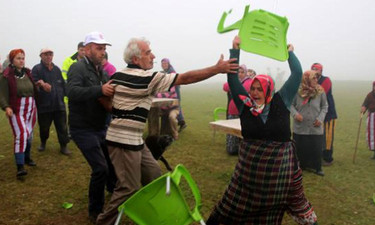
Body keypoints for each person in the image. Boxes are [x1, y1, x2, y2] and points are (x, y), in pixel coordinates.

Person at [96, 37, 238, 225]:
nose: (153, 55)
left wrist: (117, 111)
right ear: (136, 59)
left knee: (155, 177)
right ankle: (103, 222)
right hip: (123, 142)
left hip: (136, 140)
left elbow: (103, 97)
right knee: (128, 188)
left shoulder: (118, 76)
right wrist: (216, 69)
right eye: (148, 52)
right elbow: (185, 78)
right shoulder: (148, 77)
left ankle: (158, 217)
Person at [206, 36, 318, 225]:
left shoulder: (281, 101)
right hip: (247, 179)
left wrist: (289, 53)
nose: (255, 92)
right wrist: (235, 50)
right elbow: (233, 80)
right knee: (227, 211)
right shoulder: (245, 105)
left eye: (260, 89)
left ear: (269, 90)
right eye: (253, 89)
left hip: (277, 179)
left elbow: (297, 73)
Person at [66, 31, 117, 223]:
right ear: (87, 50)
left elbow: (104, 95)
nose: (102, 52)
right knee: (100, 168)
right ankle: (95, 212)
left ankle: (115, 194)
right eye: (98, 48)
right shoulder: (77, 68)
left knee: (111, 162)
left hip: (100, 127)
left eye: (104, 48)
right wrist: (100, 89)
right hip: (82, 128)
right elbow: (71, 91)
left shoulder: (101, 71)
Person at [0, 49, 37, 178]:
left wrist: (40, 85)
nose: (21, 60)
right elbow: (2, 94)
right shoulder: (6, 76)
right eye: (18, 58)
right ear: (12, 61)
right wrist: (6, 107)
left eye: (23, 58)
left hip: (31, 108)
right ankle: (20, 166)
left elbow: (32, 87)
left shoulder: (27, 73)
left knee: (29, 134)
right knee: (21, 134)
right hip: (16, 109)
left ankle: (26, 157)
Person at [32, 48, 70, 155]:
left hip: (59, 104)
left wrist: (69, 94)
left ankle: (64, 146)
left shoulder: (57, 69)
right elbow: (33, 85)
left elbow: (62, 84)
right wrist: (41, 85)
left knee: (62, 127)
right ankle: (43, 142)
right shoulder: (36, 69)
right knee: (44, 127)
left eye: (50, 54)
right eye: (46, 55)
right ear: (41, 56)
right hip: (44, 105)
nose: (48, 57)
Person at [291, 71, 328, 176]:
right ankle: (300, 166)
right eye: (313, 78)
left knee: (316, 147)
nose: (316, 80)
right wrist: (295, 114)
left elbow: (325, 106)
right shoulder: (297, 91)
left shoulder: (320, 91)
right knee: (300, 148)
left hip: (315, 126)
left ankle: (317, 167)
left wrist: (320, 119)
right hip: (300, 126)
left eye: (317, 78)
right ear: (306, 79)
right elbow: (291, 105)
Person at [311, 63, 337, 166]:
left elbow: (321, 93)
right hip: (316, 113)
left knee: (327, 137)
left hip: (328, 113)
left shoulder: (326, 80)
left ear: (321, 71)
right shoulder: (310, 80)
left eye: (317, 69)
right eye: (313, 69)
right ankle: (317, 156)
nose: (315, 71)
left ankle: (327, 158)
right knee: (318, 136)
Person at [222, 64, 252, 155]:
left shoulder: (249, 81)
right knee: (232, 131)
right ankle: (232, 149)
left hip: (244, 111)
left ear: (246, 73)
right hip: (232, 110)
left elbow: (245, 88)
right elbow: (225, 87)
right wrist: (234, 83)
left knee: (243, 131)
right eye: (238, 72)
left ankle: (244, 149)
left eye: (242, 72)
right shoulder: (234, 81)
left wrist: (235, 84)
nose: (240, 74)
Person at [161, 58, 187, 131]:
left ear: (168, 64)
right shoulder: (166, 71)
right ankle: (181, 121)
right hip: (171, 89)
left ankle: (182, 122)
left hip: (175, 89)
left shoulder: (171, 71)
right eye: (162, 64)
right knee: (176, 104)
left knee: (176, 104)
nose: (164, 65)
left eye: (165, 63)